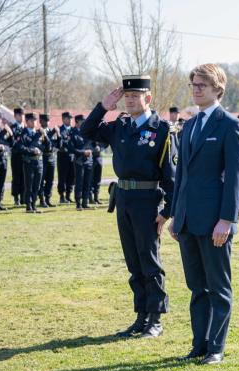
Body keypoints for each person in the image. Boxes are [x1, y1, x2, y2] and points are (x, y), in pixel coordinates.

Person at [80, 74, 177, 339]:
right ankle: (141, 316)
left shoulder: (163, 130)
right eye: (128, 96)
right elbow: (85, 131)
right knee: (133, 262)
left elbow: (171, 177)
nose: (131, 100)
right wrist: (103, 106)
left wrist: (167, 212)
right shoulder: (120, 125)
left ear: (148, 98)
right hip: (123, 200)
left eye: (136, 96)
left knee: (149, 261)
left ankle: (155, 318)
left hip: (148, 202)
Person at [169, 64, 239, 365]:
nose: (196, 88)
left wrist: (227, 220)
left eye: (202, 84)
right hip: (188, 220)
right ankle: (199, 343)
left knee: (218, 286)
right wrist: (177, 215)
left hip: (215, 221)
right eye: (193, 84)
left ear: (218, 89)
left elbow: (236, 179)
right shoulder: (189, 126)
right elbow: (182, 177)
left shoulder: (229, 125)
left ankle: (216, 347)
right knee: (196, 287)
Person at [16, 113, 45, 214]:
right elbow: (20, 148)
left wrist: (44, 137)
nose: (35, 122)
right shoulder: (22, 134)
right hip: (29, 162)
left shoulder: (39, 134)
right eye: (32, 120)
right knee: (29, 185)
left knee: (37, 185)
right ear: (27, 122)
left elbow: (46, 146)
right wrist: (32, 150)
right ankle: (28, 206)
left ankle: (34, 205)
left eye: (35, 120)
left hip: (39, 162)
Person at [71, 114, 94, 209]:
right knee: (79, 182)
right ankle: (78, 203)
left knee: (87, 182)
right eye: (82, 121)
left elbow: (93, 144)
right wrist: (83, 152)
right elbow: (71, 149)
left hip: (89, 161)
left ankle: (85, 202)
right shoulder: (73, 133)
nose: (84, 122)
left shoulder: (87, 132)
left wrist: (93, 149)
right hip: (79, 161)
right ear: (76, 122)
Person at [57, 112, 76, 204]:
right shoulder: (59, 130)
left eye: (71, 118)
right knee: (62, 177)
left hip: (72, 157)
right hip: (63, 157)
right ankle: (62, 196)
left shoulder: (73, 130)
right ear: (63, 119)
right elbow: (58, 144)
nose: (70, 120)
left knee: (71, 177)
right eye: (68, 118)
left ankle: (68, 195)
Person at [10, 107, 26, 206]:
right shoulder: (12, 128)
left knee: (25, 177)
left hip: (25, 155)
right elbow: (11, 142)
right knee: (16, 177)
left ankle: (24, 197)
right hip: (16, 156)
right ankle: (16, 197)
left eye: (22, 115)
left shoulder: (26, 128)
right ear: (15, 116)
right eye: (19, 115)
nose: (21, 117)